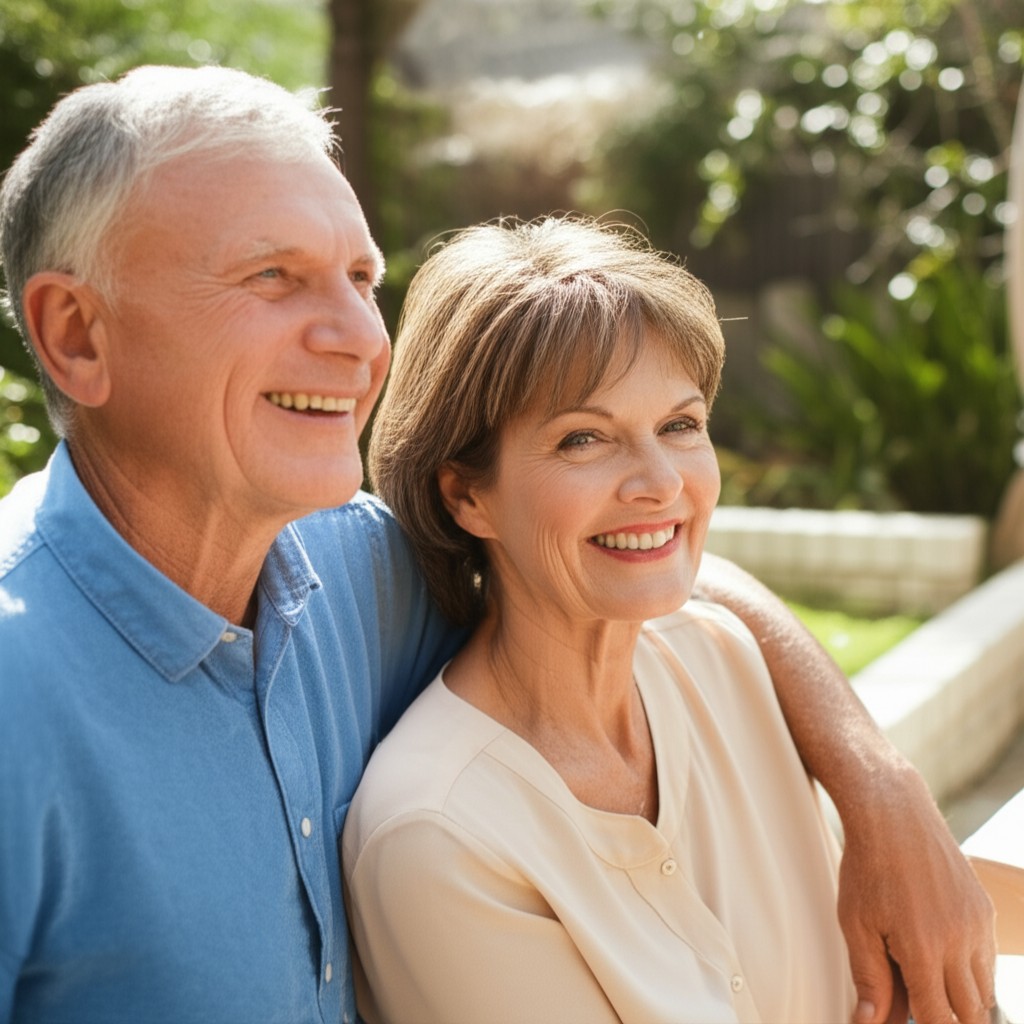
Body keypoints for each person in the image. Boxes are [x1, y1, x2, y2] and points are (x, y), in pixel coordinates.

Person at [0, 65, 993, 1024]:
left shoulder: (352, 567)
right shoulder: (20, 699)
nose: (359, 337)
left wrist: (881, 786)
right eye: (274, 277)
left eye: (360, 278)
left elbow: (653, 566)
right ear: (79, 335)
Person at [344, 218, 992, 1024]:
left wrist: (885, 789)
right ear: (466, 495)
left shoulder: (726, 658)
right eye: (584, 439)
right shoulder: (438, 837)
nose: (659, 484)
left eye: (681, 425)